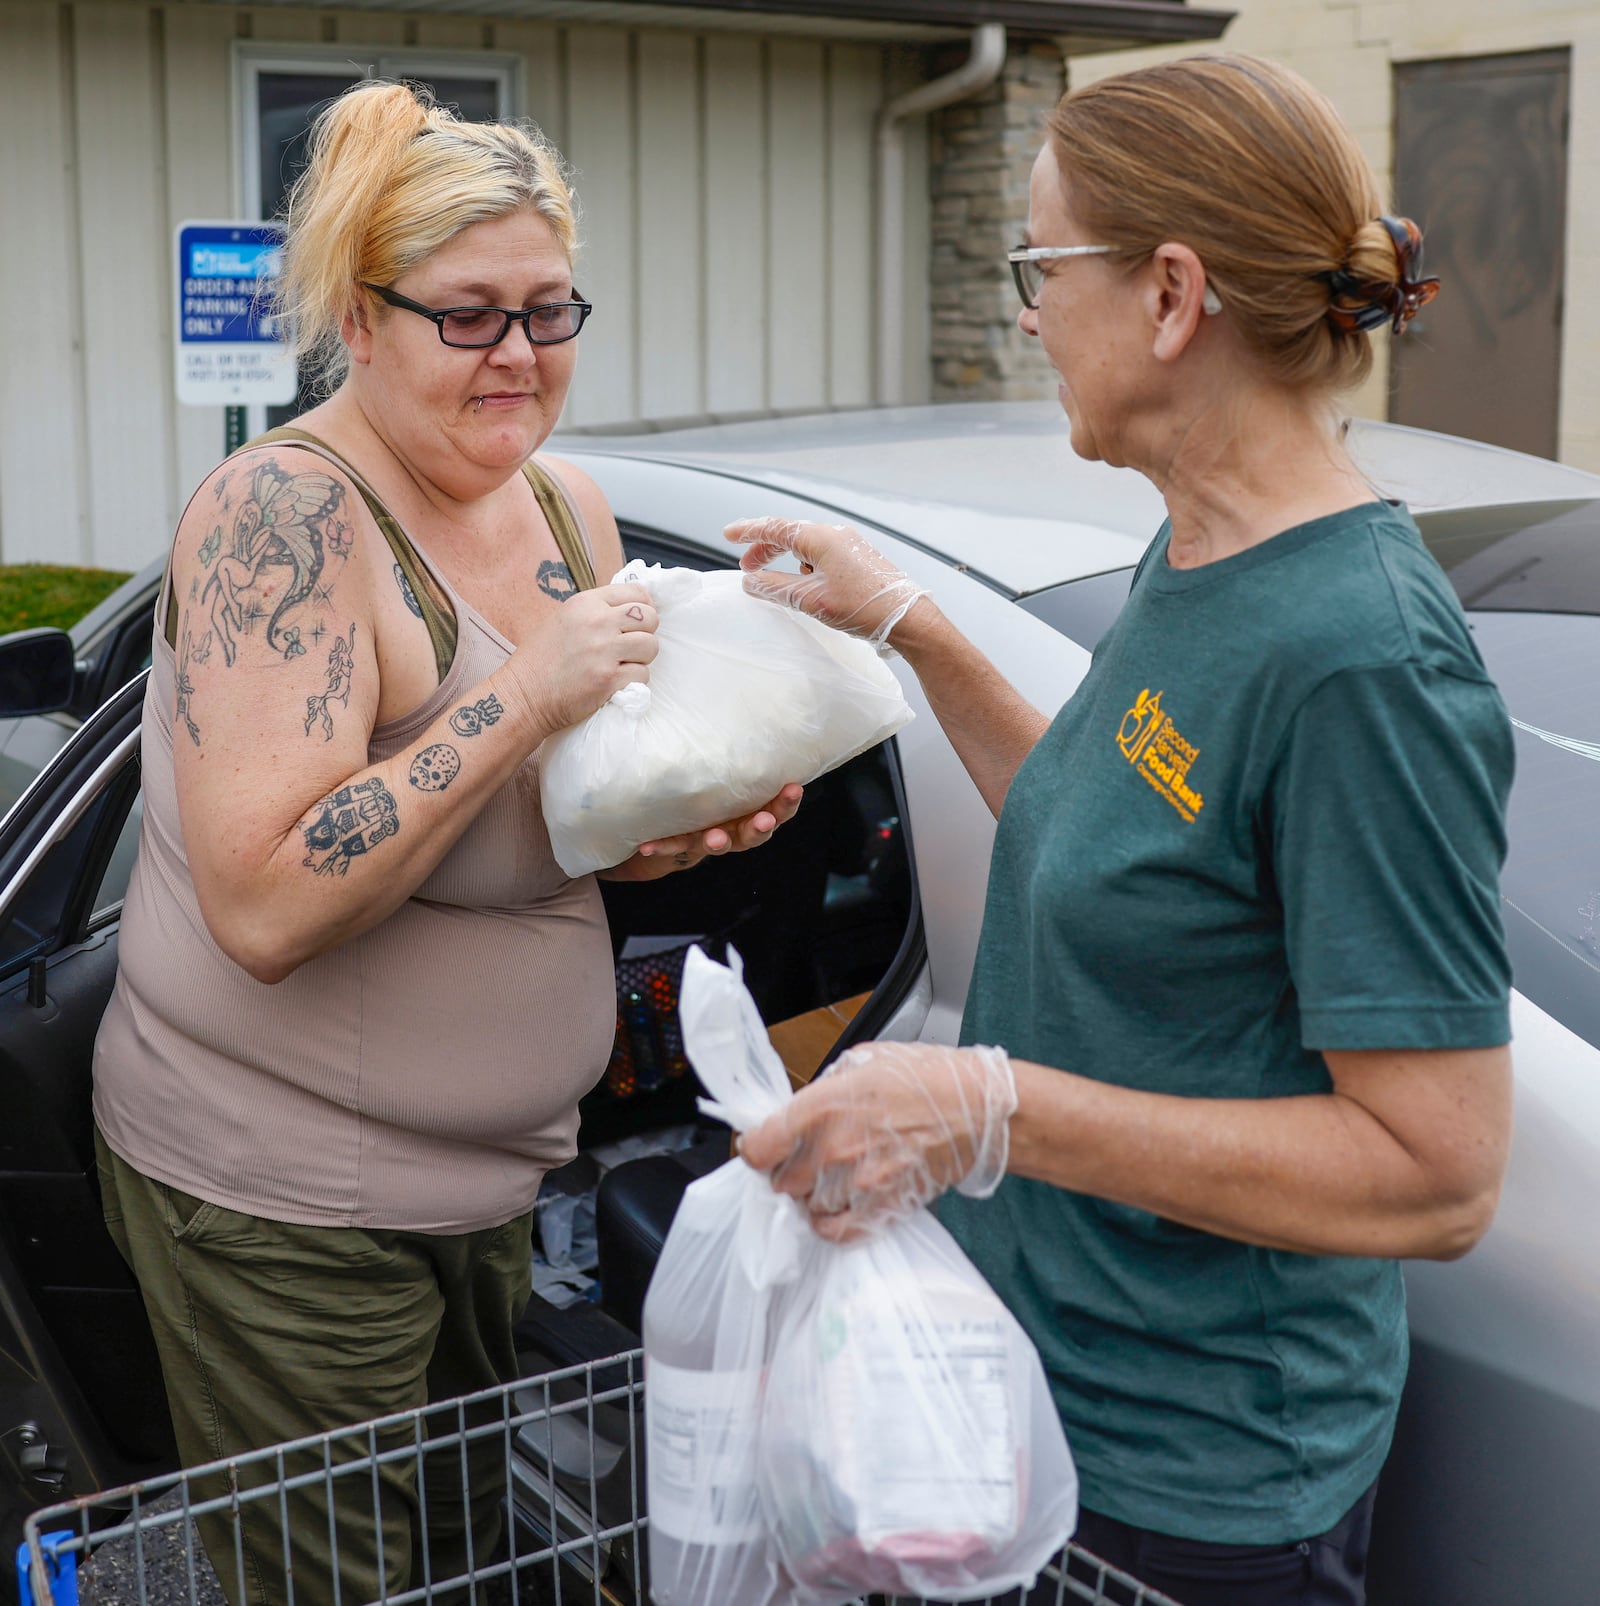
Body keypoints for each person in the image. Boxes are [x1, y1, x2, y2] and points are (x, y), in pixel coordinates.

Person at [734, 53, 1511, 1606]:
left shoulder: (1362, 659)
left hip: (1203, 1500)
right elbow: (1122, 847)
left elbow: (1438, 1174)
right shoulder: (1201, 544)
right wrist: (913, 628)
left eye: (1039, 268)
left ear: (1170, 297)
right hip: (1045, 1409)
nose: (1025, 312)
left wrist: (987, 1107)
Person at [91, 80, 799, 1606]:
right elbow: (267, 902)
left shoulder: (566, 508)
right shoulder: (282, 516)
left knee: (466, 1568)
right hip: (286, 1205)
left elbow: (542, 827)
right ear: (363, 313)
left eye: (552, 311)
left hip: (495, 1193)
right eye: (469, 316)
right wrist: (528, 690)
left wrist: (673, 839)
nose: (521, 357)